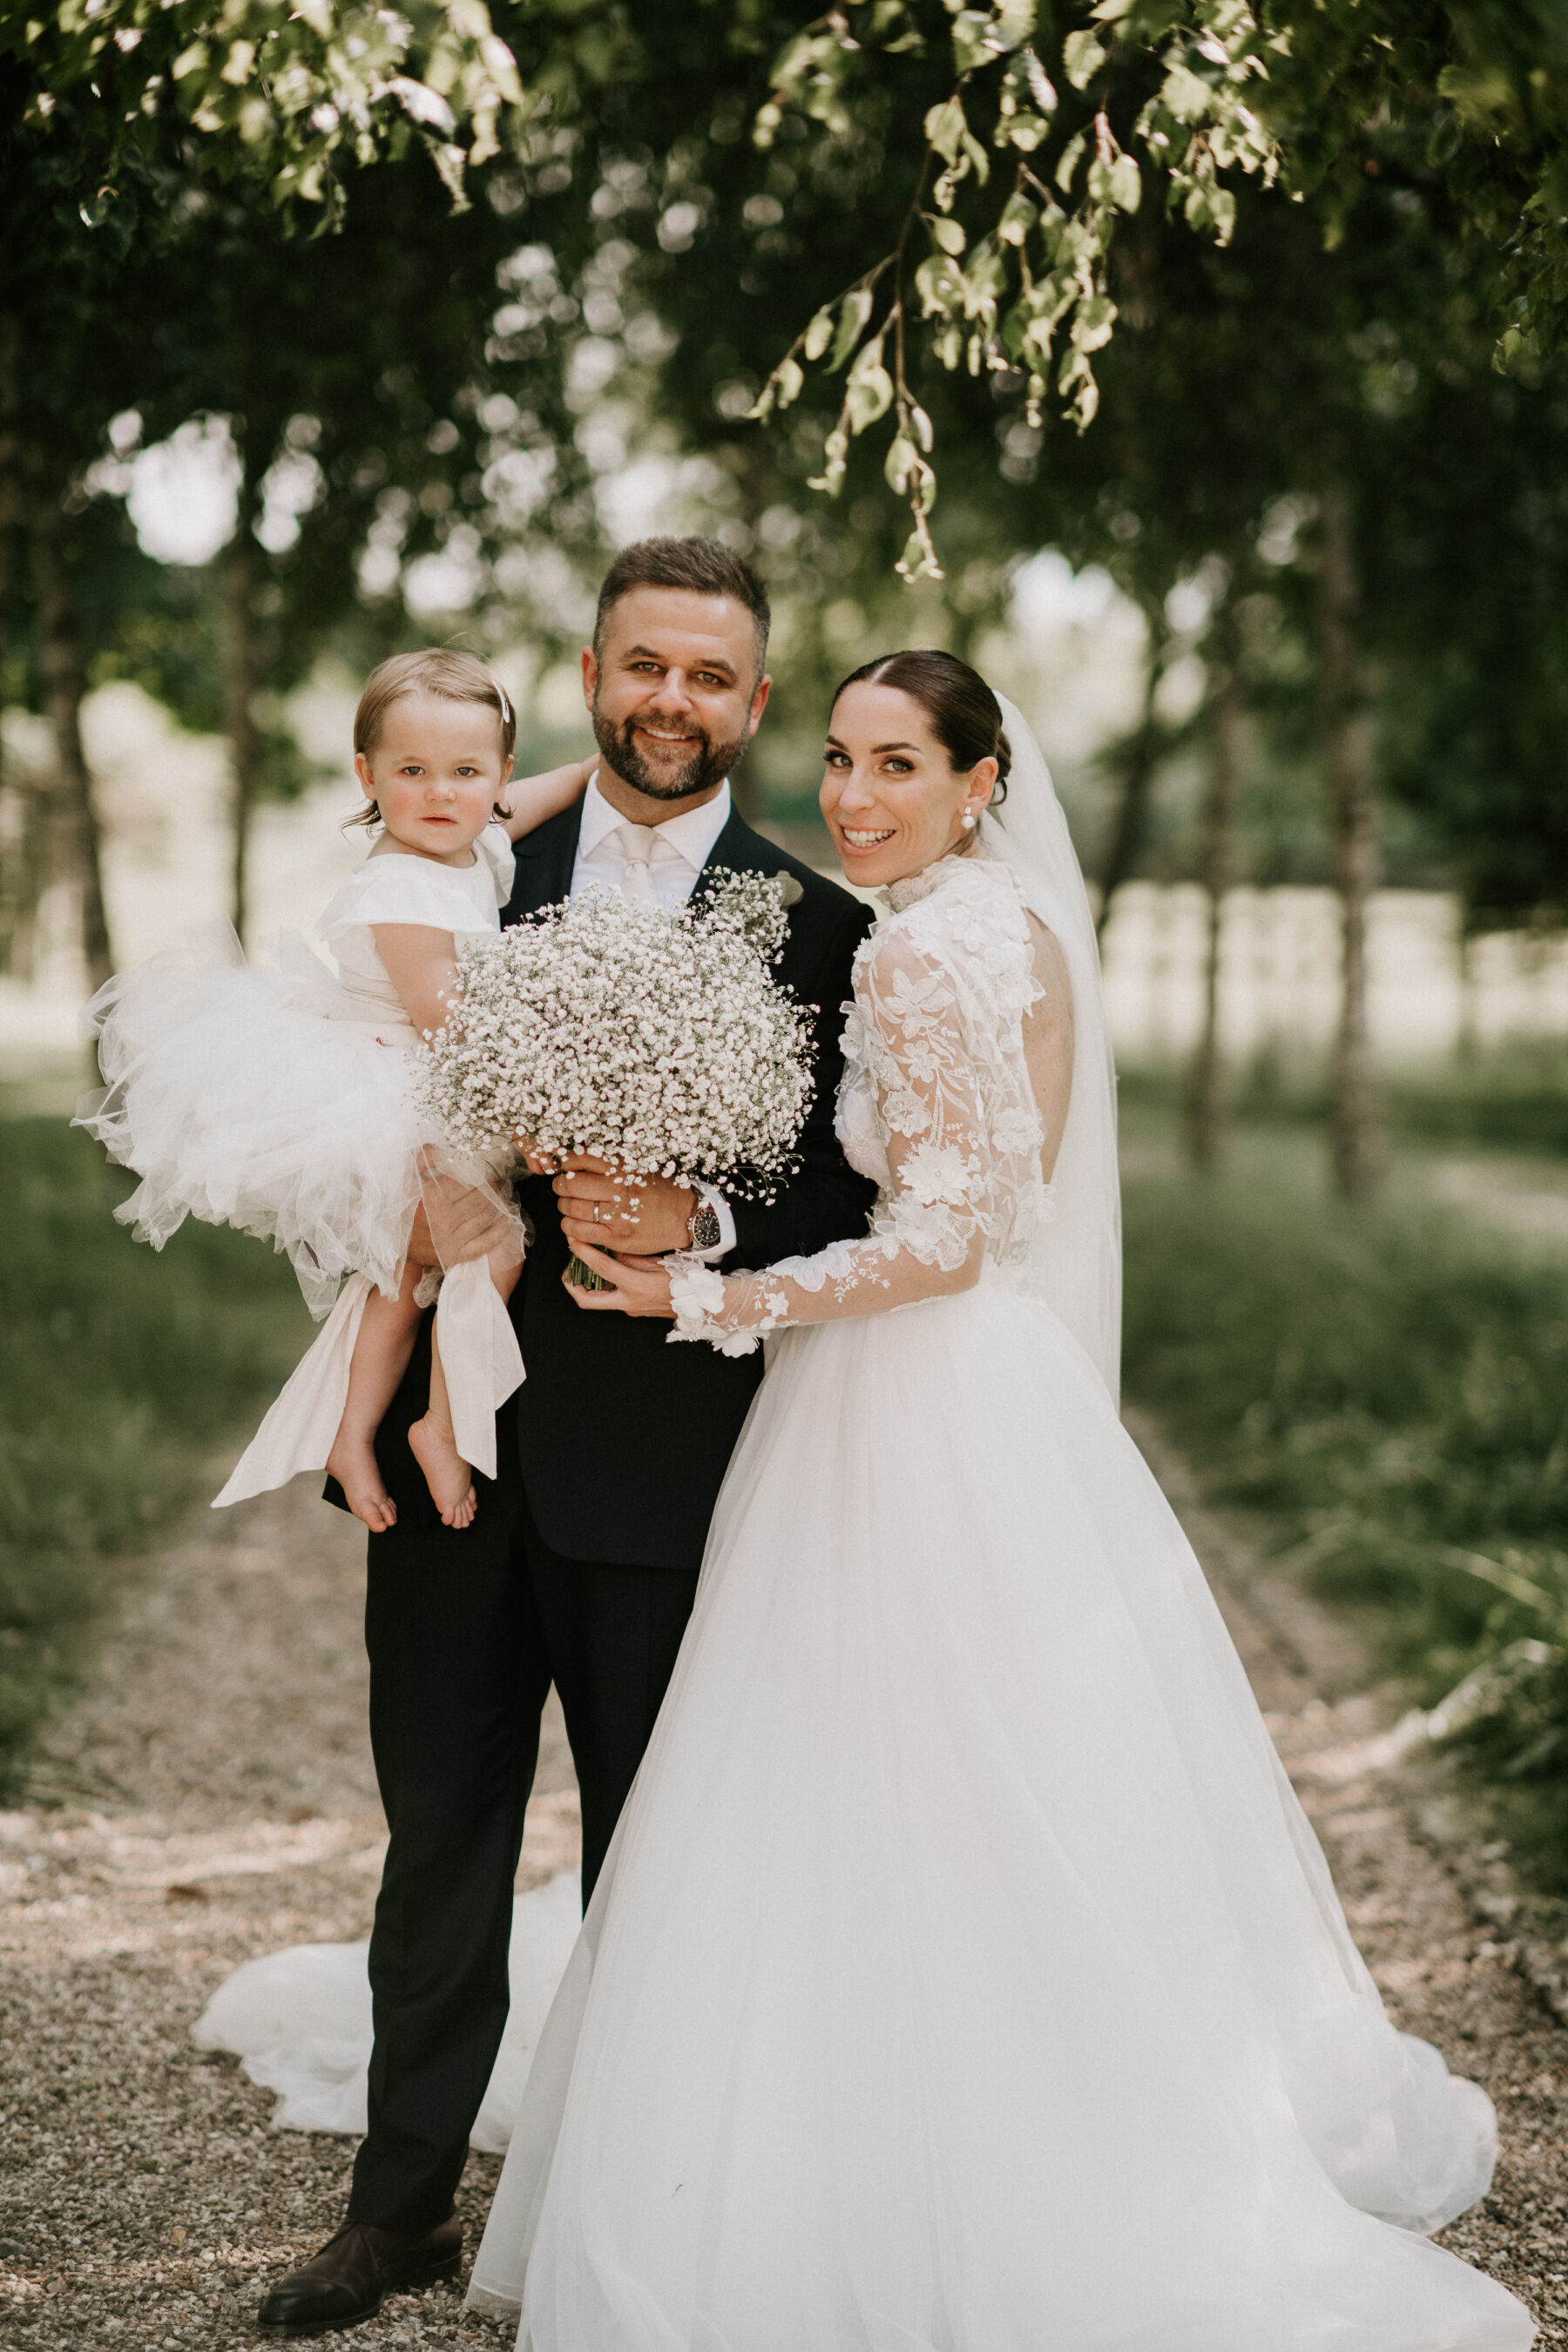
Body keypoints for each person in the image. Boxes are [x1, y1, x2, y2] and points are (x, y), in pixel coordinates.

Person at [464, 652, 1533, 2349]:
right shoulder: (1013, 931)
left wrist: (708, 1301)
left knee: (854, 1764)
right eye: (837, 759)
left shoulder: (914, 951)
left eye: (899, 765)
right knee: (995, 1777)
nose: (855, 796)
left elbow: (945, 1240)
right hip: (990, 1395)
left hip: (907, 1396)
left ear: (980, 785)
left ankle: (867, 2162)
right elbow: (982, 1222)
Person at [252, 538, 877, 2337]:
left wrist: (701, 1233)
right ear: (593, 673)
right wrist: (413, 1203)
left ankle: (638, 2211)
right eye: (640, 664)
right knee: (435, 1829)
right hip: (462, 1432)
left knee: (654, 1848)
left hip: (671, 1463)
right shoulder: (458, 862)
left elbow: (847, 1195)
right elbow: (329, 1067)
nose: (668, 700)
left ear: (754, 705)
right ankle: (399, 2211)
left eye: (708, 675)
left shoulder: (818, 920)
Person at [78, 650, 590, 1534]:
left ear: (499, 777)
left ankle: (354, 1435)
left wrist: (594, 770)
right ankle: (439, 1426)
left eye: (468, 772)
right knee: (493, 1250)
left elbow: (534, 798)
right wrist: (530, 1119)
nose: (441, 792)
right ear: (368, 775)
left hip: (418, 1078)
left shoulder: (477, 836)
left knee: (397, 1282)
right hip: (398, 1085)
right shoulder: (403, 882)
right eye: (412, 772)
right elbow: (448, 1022)